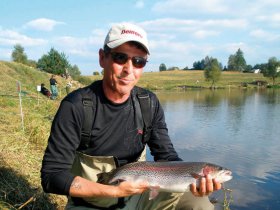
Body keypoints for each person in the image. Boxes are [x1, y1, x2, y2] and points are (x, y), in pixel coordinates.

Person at [41, 23, 221, 210]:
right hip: (91, 202)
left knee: (200, 204)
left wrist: (191, 183)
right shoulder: (76, 106)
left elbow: (167, 157)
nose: (129, 69)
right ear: (102, 58)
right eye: (120, 58)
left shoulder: (148, 103)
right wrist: (115, 191)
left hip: (141, 197)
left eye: (138, 61)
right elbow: (52, 176)